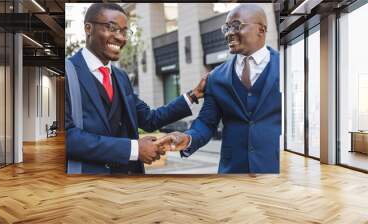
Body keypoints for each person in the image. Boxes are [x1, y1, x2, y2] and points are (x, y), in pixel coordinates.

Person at [65, 3, 207, 174]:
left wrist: (193, 95)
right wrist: (134, 149)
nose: (121, 38)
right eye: (112, 28)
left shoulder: (121, 77)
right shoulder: (66, 73)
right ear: (88, 28)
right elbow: (68, 138)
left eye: (124, 32)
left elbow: (149, 119)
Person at [158, 4, 281, 174]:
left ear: (261, 29)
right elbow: (206, 123)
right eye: (227, 27)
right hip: (232, 172)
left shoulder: (286, 66)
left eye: (236, 26)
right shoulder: (216, 76)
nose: (229, 33)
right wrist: (187, 138)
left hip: (278, 170)